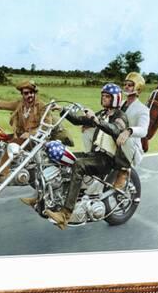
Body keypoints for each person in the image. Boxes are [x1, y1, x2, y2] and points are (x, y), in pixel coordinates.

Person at [45, 83, 129, 230]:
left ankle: (65, 215)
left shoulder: (120, 117)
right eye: (103, 95)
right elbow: (79, 120)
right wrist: (62, 110)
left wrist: (96, 121)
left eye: (107, 96)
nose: (104, 98)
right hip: (95, 154)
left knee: (78, 165)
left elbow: (116, 130)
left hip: (108, 160)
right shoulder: (102, 114)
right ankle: (45, 199)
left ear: (115, 99)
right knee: (62, 158)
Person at [113, 72, 151, 189]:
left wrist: (129, 131)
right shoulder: (120, 104)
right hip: (116, 143)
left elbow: (144, 130)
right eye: (125, 84)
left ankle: (124, 170)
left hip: (131, 148)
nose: (126, 87)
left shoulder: (142, 109)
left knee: (126, 137)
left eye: (130, 85)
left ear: (138, 88)